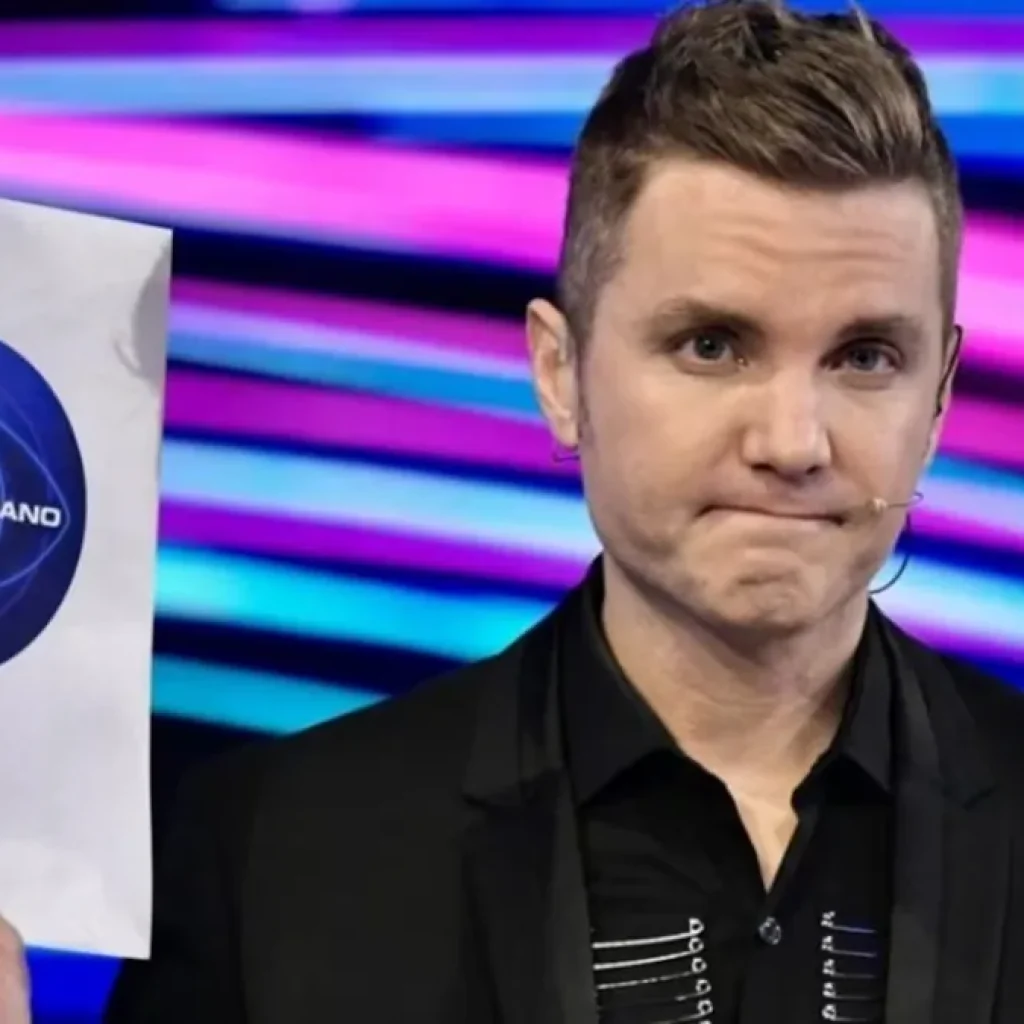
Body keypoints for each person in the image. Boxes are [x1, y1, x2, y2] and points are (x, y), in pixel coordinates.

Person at [105, 2, 1024, 1022]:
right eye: (712, 346)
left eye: (864, 358)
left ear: (939, 396)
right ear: (560, 373)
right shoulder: (274, 856)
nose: (792, 441)